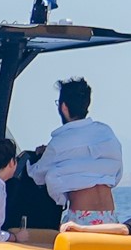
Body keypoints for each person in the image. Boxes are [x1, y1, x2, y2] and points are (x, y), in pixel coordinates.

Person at [29, 77, 122, 226]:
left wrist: (42, 156)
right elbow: (117, 173)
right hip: (110, 216)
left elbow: (37, 175)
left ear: (63, 107)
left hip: (81, 217)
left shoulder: (59, 142)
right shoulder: (106, 133)